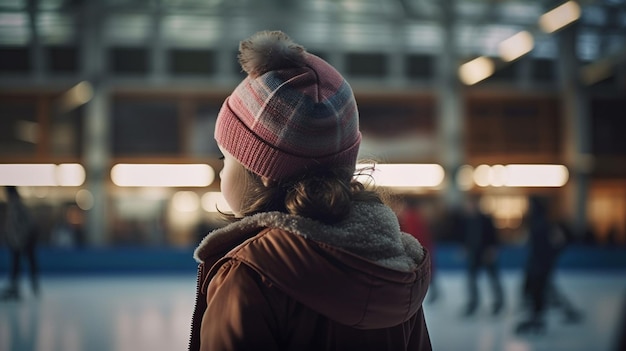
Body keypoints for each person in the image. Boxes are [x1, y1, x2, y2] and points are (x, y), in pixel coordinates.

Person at [188, 30, 432, 351]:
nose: (221, 171)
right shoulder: (393, 271)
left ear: (264, 171)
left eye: (226, 158)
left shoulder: (250, 275)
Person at [515, 196, 582, 334]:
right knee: (544, 291)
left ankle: (541, 318)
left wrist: (549, 258)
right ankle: (547, 316)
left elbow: (556, 244)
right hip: (538, 265)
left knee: (541, 292)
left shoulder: (543, 225)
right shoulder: (539, 224)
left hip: (540, 266)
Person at [460, 195, 504, 316]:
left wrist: (492, 249)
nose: (469, 207)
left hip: (486, 253)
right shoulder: (466, 220)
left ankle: (499, 302)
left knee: (493, 278)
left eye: (471, 204)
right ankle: (473, 303)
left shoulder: (486, 220)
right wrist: (464, 248)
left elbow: (494, 237)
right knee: (472, 280)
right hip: (474, 254)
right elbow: (465, 237)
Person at [397, 195, 439, 303]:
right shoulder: (420, 216)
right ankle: (433, 292)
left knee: (418, 272)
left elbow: (410, 234)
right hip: (425, 247)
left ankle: (419, 294)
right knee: (429, 270)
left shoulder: (408, 217)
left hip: (416, 248)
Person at [1, 186, 40, 300]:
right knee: (17, 264)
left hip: (21, 240)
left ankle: (20, 287)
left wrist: (22, 238)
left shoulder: (17, 205)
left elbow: (23, 224)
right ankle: (16, 287)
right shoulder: (16, 204)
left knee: (20, 263)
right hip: (18, 240)